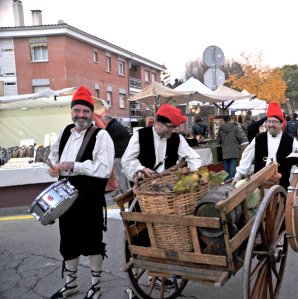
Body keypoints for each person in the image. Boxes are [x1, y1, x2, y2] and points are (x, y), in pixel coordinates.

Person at [47, 86, 114, 299]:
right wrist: (53, 167)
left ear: (91, 113)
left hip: (89, 197)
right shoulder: (65, 132)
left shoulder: (101, 136)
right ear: (72, 111)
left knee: (93, 241)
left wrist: (74, 165)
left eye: (85, 111)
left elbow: (103, 168)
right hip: (65, 198)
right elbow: (54, 156)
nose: (81, 115)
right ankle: (71, 284)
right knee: (67, 241)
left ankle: (96, 286)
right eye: (77, 110)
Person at [232, 102, 298, 190]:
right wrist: (237, 177)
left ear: (281, 124)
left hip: (282, 188)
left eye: (274, 122)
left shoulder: (290, 140)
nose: (270, 125)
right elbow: (246, 159)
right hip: (259, 188)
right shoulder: (258, 139)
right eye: (269, 121)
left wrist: (294, 183)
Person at [122, 103, 202, 181]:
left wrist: (194, 175)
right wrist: (141, 169)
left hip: (169, 185)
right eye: (171, 127)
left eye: (175, 127)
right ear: (157, 123)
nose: (173, 131)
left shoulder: (177, 138)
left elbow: (193, 157)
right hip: (145, 187)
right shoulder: (140, 135)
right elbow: (127, 161)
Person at [102, 114, 131, 194]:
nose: (104, 124)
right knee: (125, 173)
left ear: (107, 120)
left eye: (104, 122)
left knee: (119, 173)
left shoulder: (111, 128)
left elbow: (106, 142)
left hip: (119, 154)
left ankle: (122, 192)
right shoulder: (117, 124)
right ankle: (128, 190)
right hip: (125, 153)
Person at [216, 115, 249, 180]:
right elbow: (241, 138)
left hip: (225, 150)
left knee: (226, 168)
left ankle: (225, 181)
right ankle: (232, 181)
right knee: (233, 167)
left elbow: (218, 141)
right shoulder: (235, 126)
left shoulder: (221, 128)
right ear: (230, 119)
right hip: (234, 149)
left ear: (224, 120)